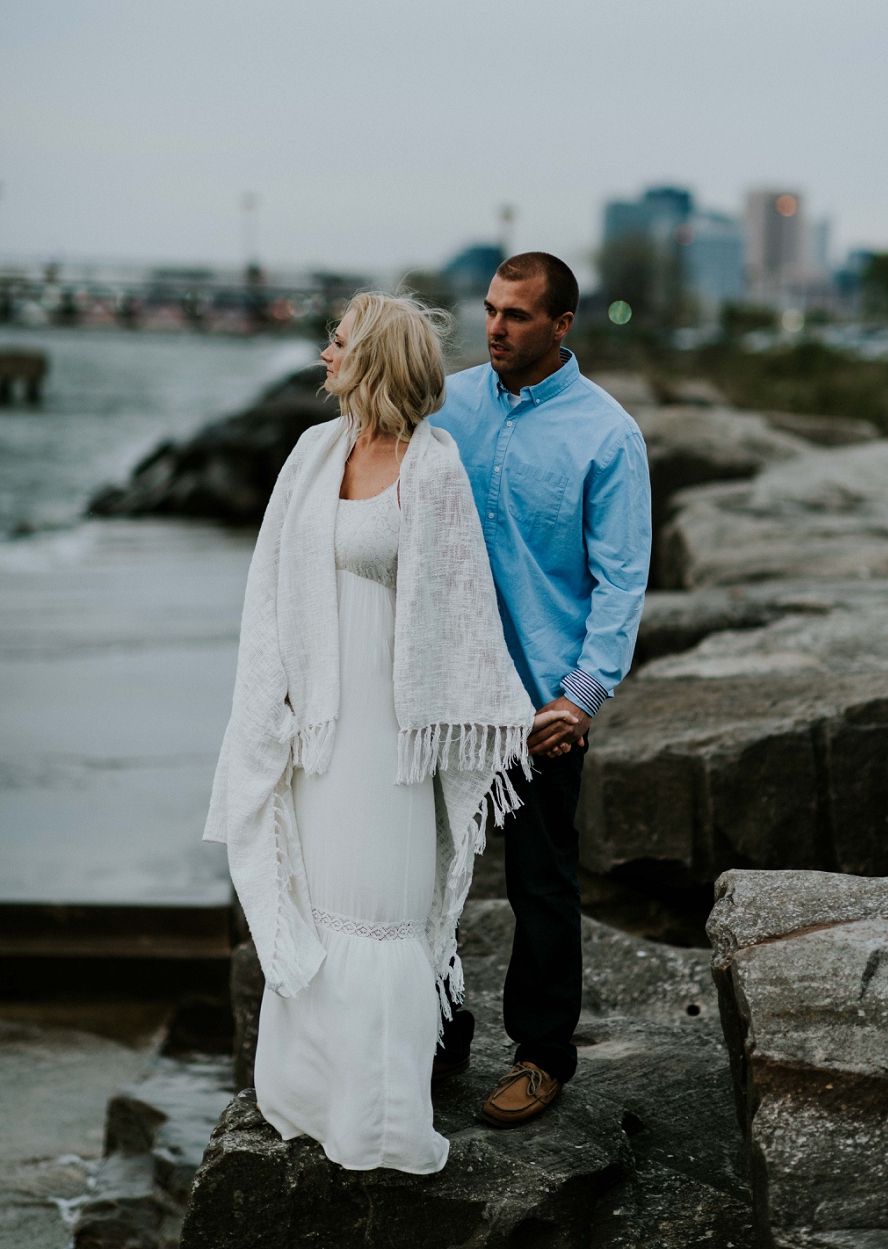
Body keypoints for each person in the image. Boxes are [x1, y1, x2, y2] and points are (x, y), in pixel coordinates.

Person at [203, 293, 573, 1173]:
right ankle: (307, 1092)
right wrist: (273, 705)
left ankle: (378, 1115)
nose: (324, 353)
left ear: (370, 357)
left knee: (379, 906)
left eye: (337, 341)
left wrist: (504, 719)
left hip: (393, 727)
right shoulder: (312, 451)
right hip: (316, 719)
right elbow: (271, 584)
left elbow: (460, 611)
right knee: (317, 892)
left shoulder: (432, 466)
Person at [436, 251, 652, 1128]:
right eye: (490, 309)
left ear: (561, 325)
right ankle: (435, 1033)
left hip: (537, 711)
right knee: (421, 879)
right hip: (442, 696)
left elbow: (622, 580)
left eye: (517, 315)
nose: (495, 326)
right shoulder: (445, 403)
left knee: (540, 885)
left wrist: (581, 695)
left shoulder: (608, 434)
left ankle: (540, 1056)